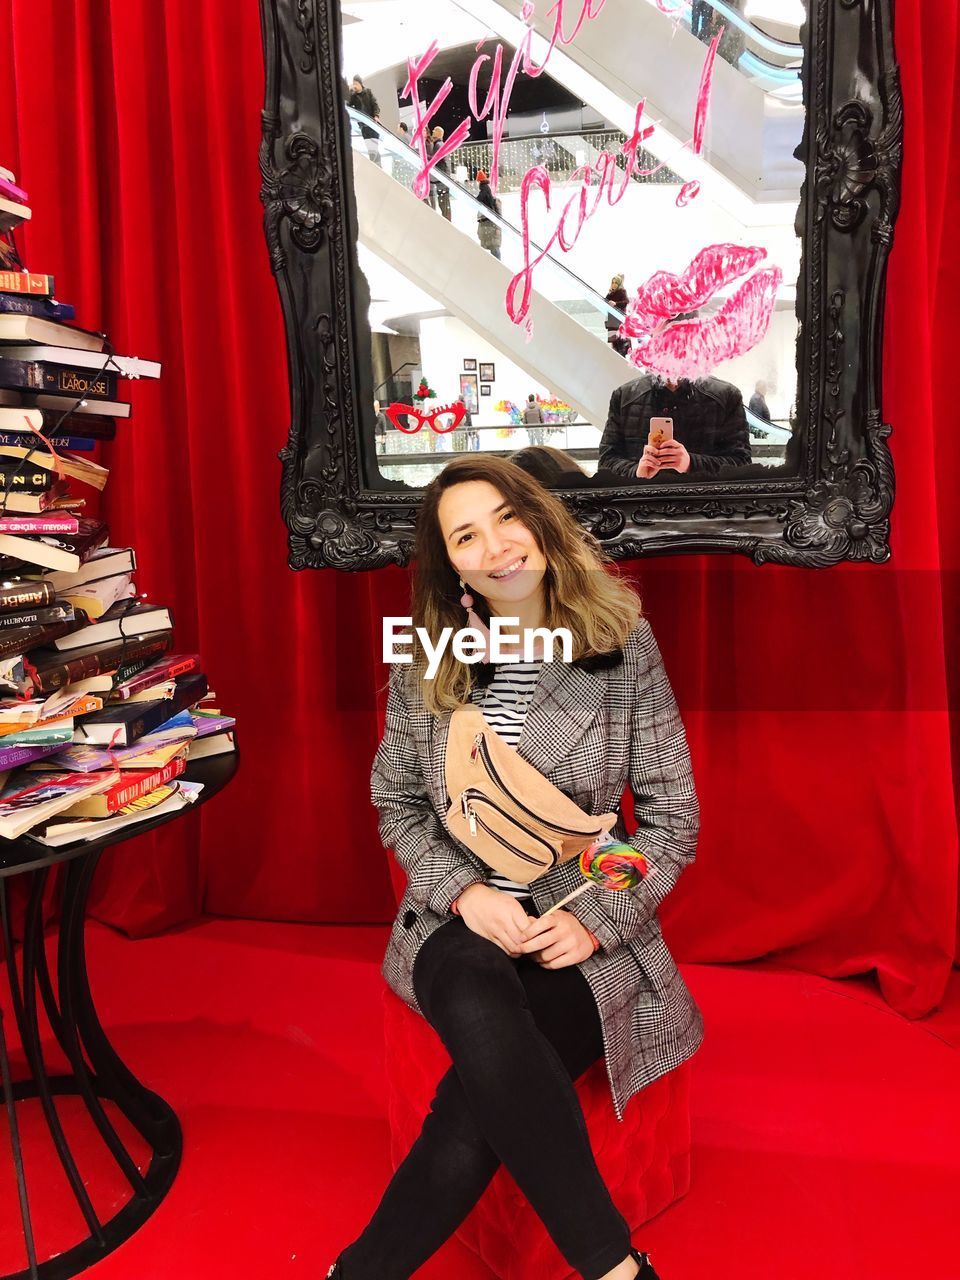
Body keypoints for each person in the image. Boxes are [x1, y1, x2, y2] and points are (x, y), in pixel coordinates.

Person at [325, 455, 702, 1280]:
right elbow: (398, 805)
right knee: (471, 988)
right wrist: (462, 895)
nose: (495, 546)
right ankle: (616, 1269)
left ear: (540, 520)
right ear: (449, 563)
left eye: (506, 518)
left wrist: (592, 919)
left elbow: (670, 826)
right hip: (456, 924)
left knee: (478, 1091)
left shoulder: (622, 644)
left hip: (571, 918)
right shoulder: (427, 657)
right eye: (466, 535)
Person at [598, 372, 752, 479]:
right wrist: (636, 472)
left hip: (703, 510)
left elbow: (741, 463)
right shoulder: (624, 396)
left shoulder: (726, 396)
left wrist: (690, 463)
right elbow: (606, 462)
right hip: (641, 508)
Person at [349, 75, 381, 165]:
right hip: (363, 127)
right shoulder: (353, 96)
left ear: (360, 83)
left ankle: (377, 166)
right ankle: (375, 165)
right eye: (353, 84)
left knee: (374, 148)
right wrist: (350, 91)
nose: (354, 86)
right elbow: (347, 104)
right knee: (370, 148)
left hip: (372, 125)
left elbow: (375, 105)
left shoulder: (368, 92)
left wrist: (376, 116)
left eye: (356, 83)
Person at [476, 169, 502, 260]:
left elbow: (478, 199)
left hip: (490, 225)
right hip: (487, 225)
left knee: (494, 248)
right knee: (493, 248)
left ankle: (498, 265)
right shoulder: (487, 191)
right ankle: (497, 265)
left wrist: (497, 228)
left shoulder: (484, 189)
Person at [604, 274, 630, 358]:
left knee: (620, 341)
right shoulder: (611, 292)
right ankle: (617, 358)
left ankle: (622, 357)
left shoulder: (622, 291)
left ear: (619, 283)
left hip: (618, 319)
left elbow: (626, 301)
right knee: (613, 342)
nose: (614, 284)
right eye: (613, 282)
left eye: (616, 283)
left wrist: (616, 303)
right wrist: (609, 292)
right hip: (611, 320)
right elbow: (605, 301)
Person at [430, 126, 452, 221]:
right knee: (443, 203)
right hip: (442, 179)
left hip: (441, 179)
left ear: (439, 134)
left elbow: (436, 160)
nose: (432, 131)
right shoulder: (440, 144)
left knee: (443, 203)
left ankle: (447, 223)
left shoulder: (438, 145)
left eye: (435, 130)